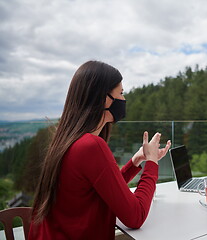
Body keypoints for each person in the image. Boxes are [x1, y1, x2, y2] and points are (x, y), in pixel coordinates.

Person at [29, 60, 171, 239]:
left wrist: (136, 162)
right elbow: (136, 216)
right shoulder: (91, 146)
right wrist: (152, 163)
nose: (124, 99)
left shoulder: (69, 140)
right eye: (121, 93)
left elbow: (103, 186)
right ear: (103, 98)